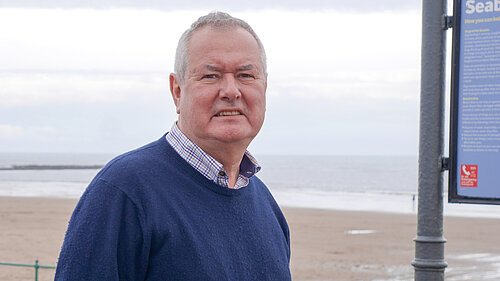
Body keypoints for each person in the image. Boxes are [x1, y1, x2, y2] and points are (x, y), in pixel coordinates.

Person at [55, 11, 291, 281]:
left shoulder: (267, 207)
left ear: (265, 87)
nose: (231, 91)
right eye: (210, 76)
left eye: (246, 75)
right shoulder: (125, 190)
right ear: (177, 91)